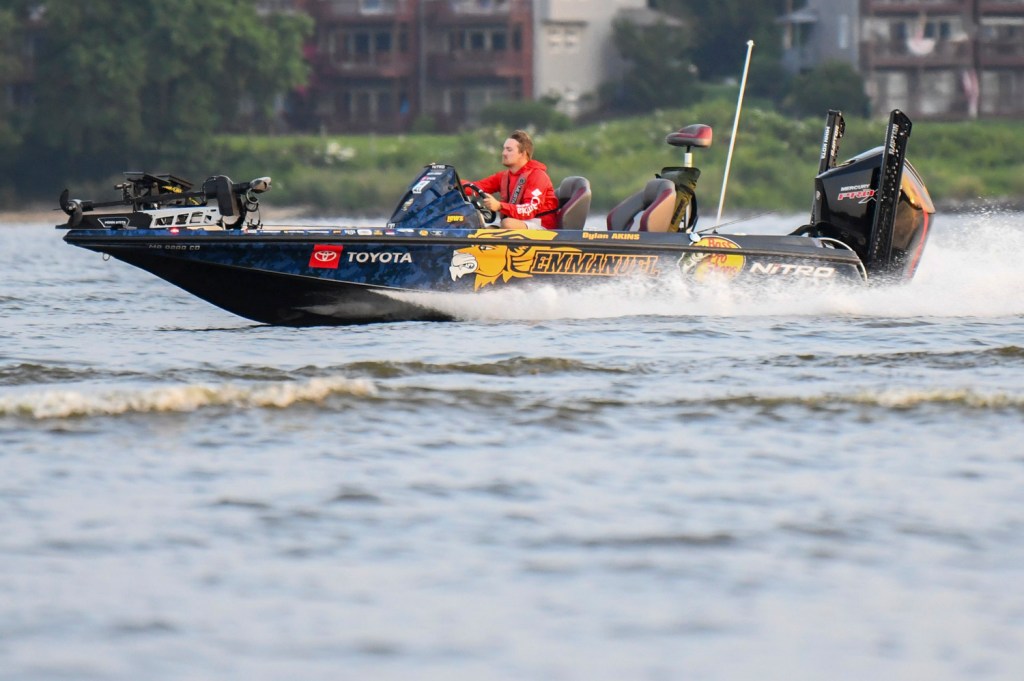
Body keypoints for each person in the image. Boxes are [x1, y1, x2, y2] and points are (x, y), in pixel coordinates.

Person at [464, 130, 559, 229]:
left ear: (523, 154)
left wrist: (499, 206)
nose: (503, 153)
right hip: (517, 222)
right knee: (483, 231)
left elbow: (530, 209)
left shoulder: (538, 176)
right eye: (504, 149)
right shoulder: (504, 176)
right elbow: (476, 187)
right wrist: (455, 184)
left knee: (508, 224)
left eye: (509, 150)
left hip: (543, 227)